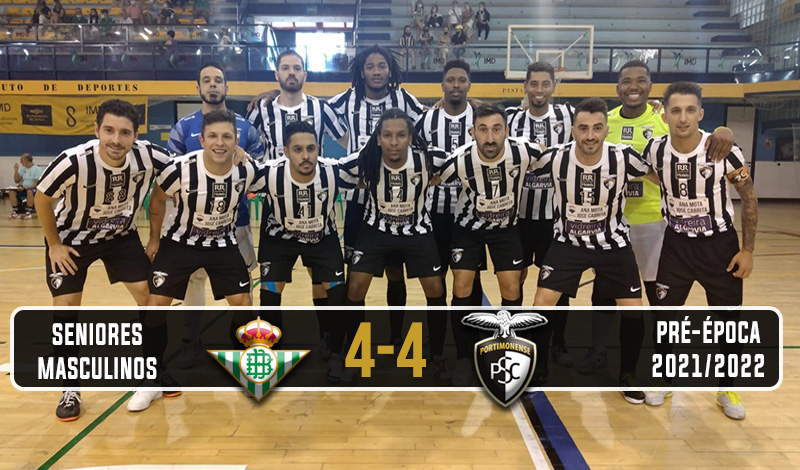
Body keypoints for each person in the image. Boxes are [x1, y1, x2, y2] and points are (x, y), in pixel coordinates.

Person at [579, 60, 736, 375]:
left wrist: (725, 131)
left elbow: (703, 136)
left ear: (650, 86)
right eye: (627, 81)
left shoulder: (664, 118)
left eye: (640, 80)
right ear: (617, 88)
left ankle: (660, 358)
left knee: (658, 295)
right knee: (604, 291)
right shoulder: (605, 122)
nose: (633, 86)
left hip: (654, 223)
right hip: (612, 223)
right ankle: (598, 352)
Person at [33, 99, 172, 421]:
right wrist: (54, 245)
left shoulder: (149, 155)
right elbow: (41, 198)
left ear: (136, 135)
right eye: (109, 130)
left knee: (150, 298)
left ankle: (154, 371)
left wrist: (236, 153)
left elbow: (190, 166)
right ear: (96, 130)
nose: (116, 140)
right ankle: (70, 388)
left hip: (120, 238)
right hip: (72, 240)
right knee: (66, 309)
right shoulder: (73, 161)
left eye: (124, 133)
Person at [128, 110, 263, 412]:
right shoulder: (179, 169)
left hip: (223, 243)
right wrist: (153, 239)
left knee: (243, 302)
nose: (220, 142)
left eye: (227, 136)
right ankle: (151, 378)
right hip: (180, 243)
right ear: (202, 140)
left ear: (236, 141)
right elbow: (157, 200)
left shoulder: (247, 170)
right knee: (155, 305)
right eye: (213, 136)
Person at [642, 81, 758, 420]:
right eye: (676, 110)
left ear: (701, 114)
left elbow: (749, 198)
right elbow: (650, 174)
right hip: (676, 244)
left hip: (719, 246)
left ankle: (727, 388)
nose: (683, 117)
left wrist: (747, 250)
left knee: (728, 322)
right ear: (665, 115)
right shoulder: (655, 150)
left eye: (690, 110)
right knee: (665, 316)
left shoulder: (723, 149)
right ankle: (665, 378)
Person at [530, 97, 651, 405]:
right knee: (541, 303)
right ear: (573, 130)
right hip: (567, 243)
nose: (590, 135)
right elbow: (517, 159)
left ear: (606, 130)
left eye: (597, 128)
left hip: (613, 244)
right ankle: (538, 369)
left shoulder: (624, 157)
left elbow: (661, 171)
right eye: (583, 128)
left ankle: (628, 374)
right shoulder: (555, 158)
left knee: (633, 310)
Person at [246, 49, 347, 356]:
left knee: (321, 278)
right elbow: (244, 142)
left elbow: (348, 138)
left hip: (317, 205)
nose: (291, 72)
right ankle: (271, 348)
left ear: (305, 74)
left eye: (297, 68)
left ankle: (327, 338)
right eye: (285, 68)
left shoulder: (321, 107)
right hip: (277, 206)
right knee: (272, 284)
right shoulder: (262, 110)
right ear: (277, 74)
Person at [336, 108, 447, 382]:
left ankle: (437, 356)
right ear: (378, 138)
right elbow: (328, 167)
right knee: (355, 287)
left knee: (435, 288)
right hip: (376, 229)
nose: (394, 142)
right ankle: (355, 354)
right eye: (387, 135)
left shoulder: (429, 158)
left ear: (410, 137)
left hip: (417, 229)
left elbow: (463, 160)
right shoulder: (365, 160)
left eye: (400, 135)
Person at [167, 61, 264, 369]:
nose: (212, 85)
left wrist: (247, 158)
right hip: (192, 226)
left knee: (242, 283)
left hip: (236, 222)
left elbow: (260, 167)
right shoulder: (184, 127)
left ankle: (242, 339)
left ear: (226, 87)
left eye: (218, 80)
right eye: (206, 80)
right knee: (193, 281)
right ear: (197, 88)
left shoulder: (245, 128)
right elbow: (169, 172)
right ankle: (191, 341)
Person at [437, 104, 543, 384]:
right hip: (468, 229)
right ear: (472, 132)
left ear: (506, 130)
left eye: (496, 129)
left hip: (506, 230)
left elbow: (552, 156)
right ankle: (463, 357)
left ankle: (508, 349)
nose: (490, 137)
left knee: (511, 288)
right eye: (483, 130)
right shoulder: (460, 159)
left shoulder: (522, 151)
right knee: (461, 287)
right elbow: (431, 177)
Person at [414, 59, 484, 384]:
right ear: (442, 85)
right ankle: (438, 349)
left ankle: (468, 348)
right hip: (434, 215)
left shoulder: (481, 118)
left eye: (462, 79)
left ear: (469, 84)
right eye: (451, 80)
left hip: (470, 215)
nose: (456, 85)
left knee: (469, 285)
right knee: (436, 285)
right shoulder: (425, 120)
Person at [505, 61, 575, 382]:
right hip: (518, 217)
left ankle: (558, 342)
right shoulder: (511, 118)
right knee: (515, 280)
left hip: (555, 219)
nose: (539, 90)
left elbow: (603, 123)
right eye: (533, 84)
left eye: (545, 84)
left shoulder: (568, 116)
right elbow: (478, 116)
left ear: (553, 87)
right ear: (525, 86)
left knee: (557, 285)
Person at [9, 153, 42, 220]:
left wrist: (25, 188)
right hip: (23, 188)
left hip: (33, 189)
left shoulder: (37, 169)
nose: (21, 162)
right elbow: (16, 180)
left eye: (22, 160)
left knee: (29, 192)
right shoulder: (23, 169)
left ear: (27, 160)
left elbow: (36, 184)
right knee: (12, 192)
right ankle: (15, 212)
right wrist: (16, 171)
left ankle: (28, 212)